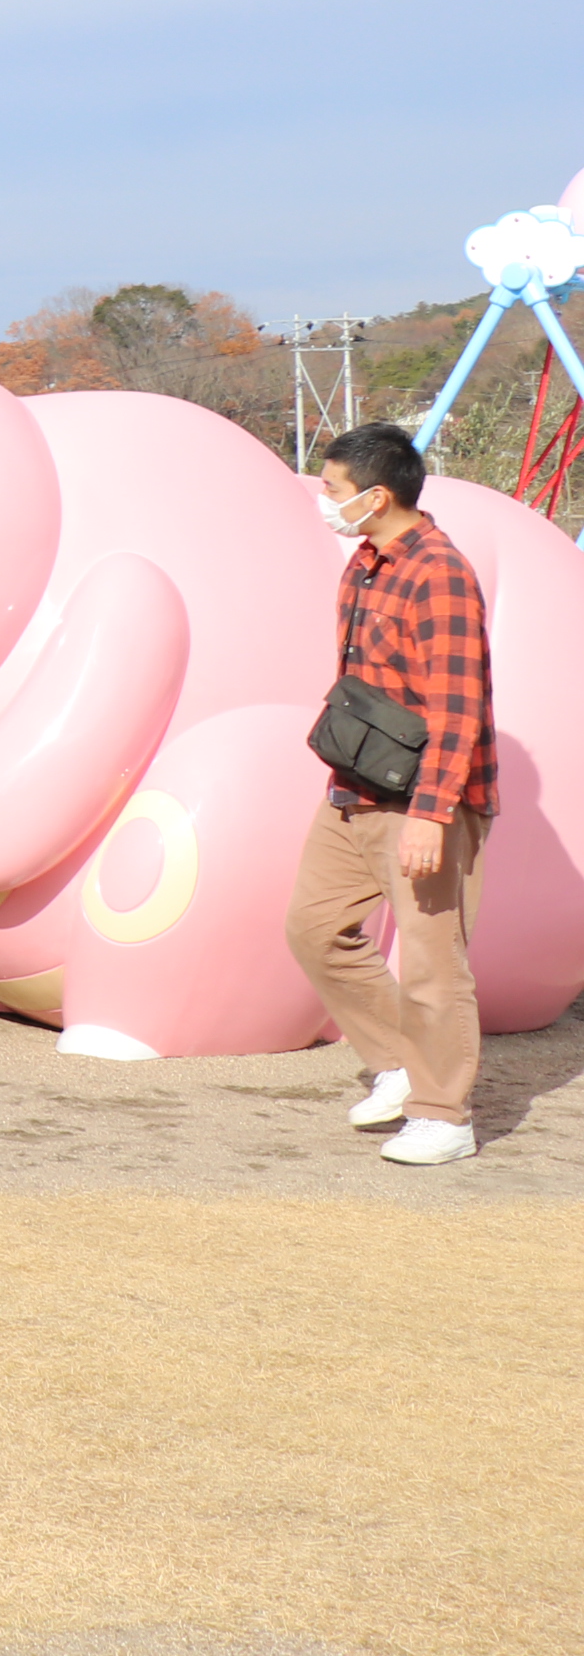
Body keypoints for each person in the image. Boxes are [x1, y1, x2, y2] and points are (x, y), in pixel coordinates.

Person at [288, 422, 497, 1169]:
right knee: (313, 929)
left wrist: (434, 814)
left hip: (423, 798)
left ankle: (444, 1114)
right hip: (355, 786)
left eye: (333, 489)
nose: (324, 500)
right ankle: (399, 1061)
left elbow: (457, 705)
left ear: (376, 496)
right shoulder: (367, 563)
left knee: (433, 964)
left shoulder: (438, 573)